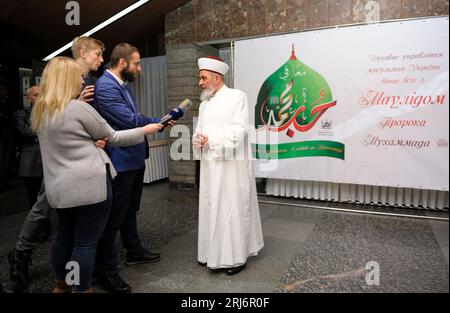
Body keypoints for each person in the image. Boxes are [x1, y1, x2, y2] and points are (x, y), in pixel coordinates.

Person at [31, 56, 163, 293]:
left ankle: (61, 286)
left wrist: (91, 141)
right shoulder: (80, 109)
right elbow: (115, 137)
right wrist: (145, 130)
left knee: (64, 238)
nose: (83, 80)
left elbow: (69, 141)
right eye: (78, 77)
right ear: (67, 80)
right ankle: (82, 289)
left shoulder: (40, 111)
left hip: (59, 189)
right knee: (85, 243)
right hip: (89, 186)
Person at [8, 36, 107, 293]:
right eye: (97, 53)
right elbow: (99, 131)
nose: (100, 59)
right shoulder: (68, 91)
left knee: (64, 230)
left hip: (60, 172)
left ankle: (61, 282)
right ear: (82, 53)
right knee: (54, 219)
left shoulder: (68, 95)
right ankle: (23, 256)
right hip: (66, 170)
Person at [93, 43, 170, 293]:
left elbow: (132, 119)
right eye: (137, 64)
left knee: (129, 210)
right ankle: (106, 271)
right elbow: (128, 120)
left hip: (133, 158)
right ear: (123, 63)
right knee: (114, 216)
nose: (140, 69)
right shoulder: (105, 86)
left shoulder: (121, 85)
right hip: (121, 160)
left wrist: (157, 122)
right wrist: (157, 122)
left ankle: (133, 251)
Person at [193, 56, 264, 276]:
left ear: (216, 77)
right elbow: (199, 131)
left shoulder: (237, 97)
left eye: (203, 78)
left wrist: (212, 141)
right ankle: (210, 254)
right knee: (212, 206)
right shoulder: (205, 104)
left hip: (232, 168)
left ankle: (236, 258)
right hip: (211, 167)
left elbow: (240, 131)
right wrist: (198, 139)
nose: (200, 83)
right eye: (200, 78)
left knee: (231, 209)